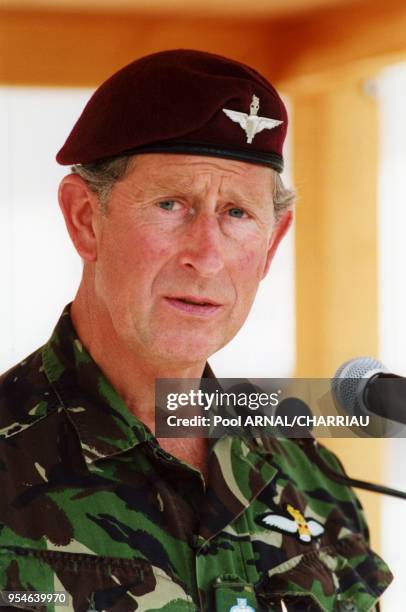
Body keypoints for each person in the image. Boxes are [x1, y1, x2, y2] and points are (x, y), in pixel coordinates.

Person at [0, 50, 392, 612]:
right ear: (86, 219)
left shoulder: (306, 472)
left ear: (272, 244)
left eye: (237, 214)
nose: (206, 256)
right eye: (170, 204)